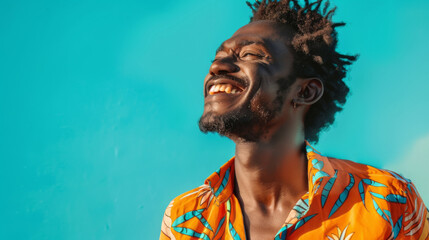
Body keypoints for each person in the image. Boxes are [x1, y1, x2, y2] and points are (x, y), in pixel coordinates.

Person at [159, 0, 428, 239]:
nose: (217, 67)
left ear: (305, 91)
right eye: (219, 57)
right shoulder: (187, 218)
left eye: (251, 54)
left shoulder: (389, 201)